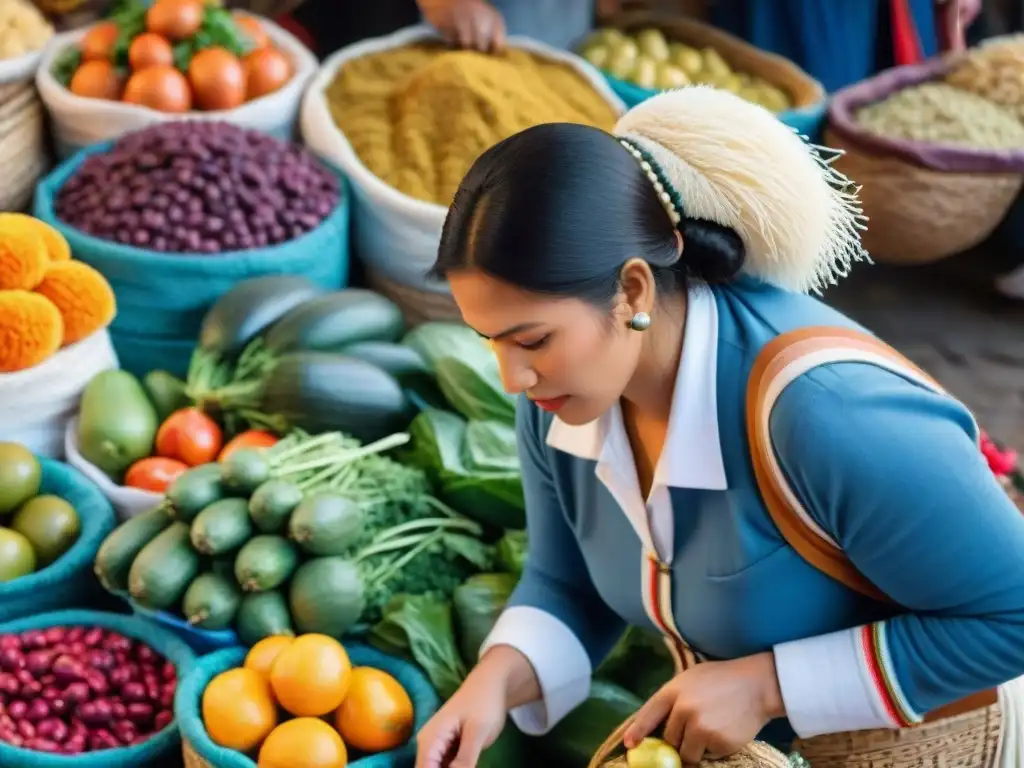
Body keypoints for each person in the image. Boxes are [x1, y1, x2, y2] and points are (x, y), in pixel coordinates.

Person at [413, 86, 1024, 768]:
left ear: (634, 291)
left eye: (530, 339)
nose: (509, 378)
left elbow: (1014, 613)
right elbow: (567, 584)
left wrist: (768, 686)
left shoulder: (827, 415)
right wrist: (492, 684)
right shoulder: (560, 399)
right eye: (489, 340)